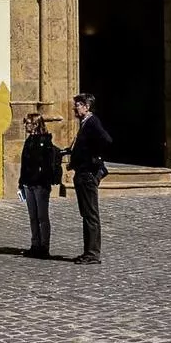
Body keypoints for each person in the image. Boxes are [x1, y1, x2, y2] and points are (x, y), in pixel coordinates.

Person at [65, 93, 112, 264]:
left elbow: (106, 140)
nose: (74, 108)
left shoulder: (92, 123)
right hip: (82, 173)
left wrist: (94, 160)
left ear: (87, 106)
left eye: (77, 105)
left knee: (91, 215)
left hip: (88, 175)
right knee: (86, 214)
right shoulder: (85, 123)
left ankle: (92, 254)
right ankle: (88, 252)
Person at [16, 113, 65, 258]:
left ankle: (44, 246)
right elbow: (24, 164)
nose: (26, 125)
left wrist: (42, 180)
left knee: (42, 217)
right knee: (33, 216)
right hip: (28, 184)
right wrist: (21, 182)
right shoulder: (29, 141)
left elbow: (46, 165)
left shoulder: (45, 141)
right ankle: (35, 244)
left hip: (40, 185)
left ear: (36, 124)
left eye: (28, 123)